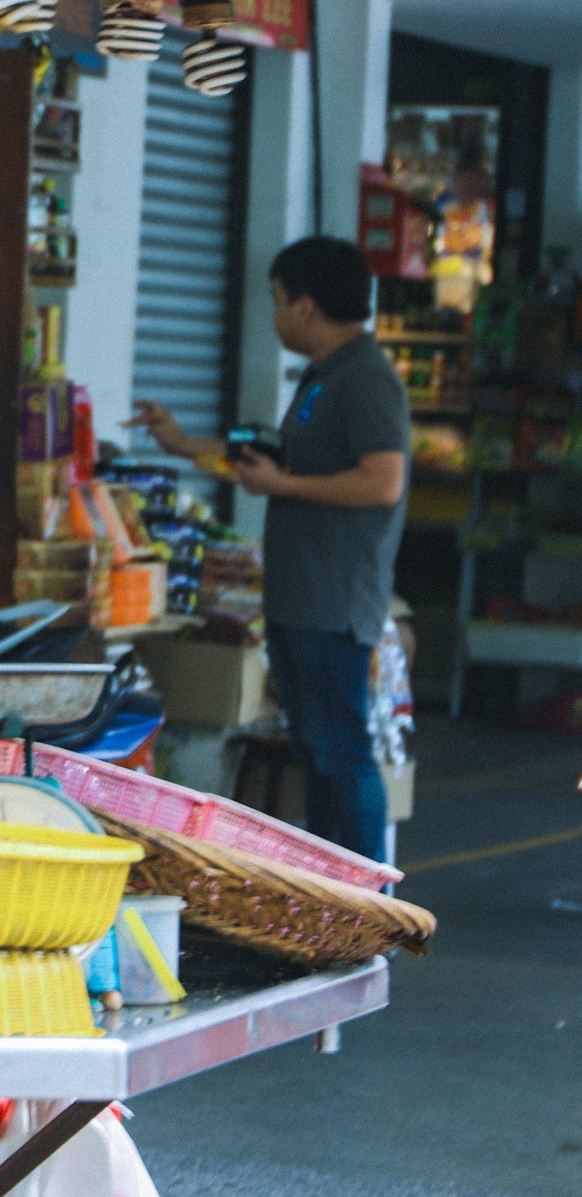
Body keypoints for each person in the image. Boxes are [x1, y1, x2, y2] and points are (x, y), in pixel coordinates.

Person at [130, 234, 409, 861]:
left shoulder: (366, 379)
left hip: (332, 606)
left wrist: (283, 485)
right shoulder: (324, 376)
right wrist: (184, 444)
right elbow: (277, 464)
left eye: (278, 301)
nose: (275, 316)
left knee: (341, 753)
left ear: (306, 306)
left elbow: (382, 481)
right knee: (318, 754)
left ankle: (367, 893)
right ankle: (335, 892)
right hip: (300, 601)